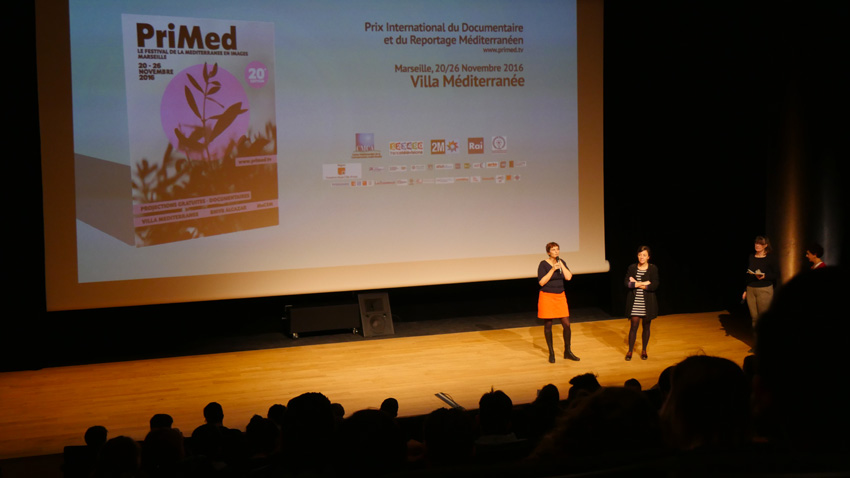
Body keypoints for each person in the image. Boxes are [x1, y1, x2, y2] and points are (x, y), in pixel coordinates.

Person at [538, 242, 579, 363]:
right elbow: (541, 282)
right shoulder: (543, 264)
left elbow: (568, 277)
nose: (556, 252)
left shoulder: (562, 262)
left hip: (560, 296)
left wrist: (562, 265)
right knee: (548, 325)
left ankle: (568, 351)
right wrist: (552, 269)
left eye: (557, 249)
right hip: (547, 296)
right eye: (553, 250)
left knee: (567, 325)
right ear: (548, 252)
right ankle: (551, 353)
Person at [624, 245, 659, 360]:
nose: (641, 257)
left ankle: (644, 350)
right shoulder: (632, 268)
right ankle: (630, 351)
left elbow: (654, 285)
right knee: (633, 326)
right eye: (640, 255)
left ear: (648, 257)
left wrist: (636, 283)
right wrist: (644, 283)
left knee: (646, 326)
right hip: (635, 302)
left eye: (644, 255)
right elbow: (627, 283)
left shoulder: (653, 268)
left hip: (647, 302)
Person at [742, 236, 778, 330]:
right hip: (751, 289)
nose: (757, 245)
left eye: (760, 244)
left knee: (763, 318)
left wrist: (765, 276)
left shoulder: (770, 258)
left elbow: (777, 274)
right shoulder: (751, 257)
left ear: (765, 245)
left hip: (764, 289)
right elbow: (748, 276)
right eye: (756, 243)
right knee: (754, 317)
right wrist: (745, 290)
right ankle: (757, 338)